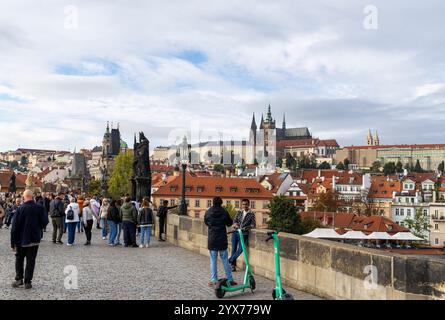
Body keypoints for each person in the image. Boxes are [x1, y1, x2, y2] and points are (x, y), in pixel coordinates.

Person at [10, 189, 49, 289]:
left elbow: (14, 227)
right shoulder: (40, 208)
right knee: (31, 261)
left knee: (19, 259)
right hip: (34, 239)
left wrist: (13, 243)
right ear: (32, 196)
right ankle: (28, 281)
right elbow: (45, 222)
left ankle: (19, 279)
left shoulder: (20, 209)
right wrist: (38, 228)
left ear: (24, 197)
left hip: (20, 240)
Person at [204, 197, 235, 287]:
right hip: (222, 239)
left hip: (212, 239)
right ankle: (230, 279)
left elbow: (206, 222)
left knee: (213, 260)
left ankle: (214, 279)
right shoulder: (224, 211)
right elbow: (229, 223)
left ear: (213, 202)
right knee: (225, 260)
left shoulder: (208, 212)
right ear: (221, 202)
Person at [228, 199, 256, 272]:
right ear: (241, 205)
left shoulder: (251, 213)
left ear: (248, 205)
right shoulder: (239, 212)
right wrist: (235, 225)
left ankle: (230, 260)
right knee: (233, 249)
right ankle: (232, 266)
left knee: (241, 249)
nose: (244, 206)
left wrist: (247, 227)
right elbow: (234, 221)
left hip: (243, 233)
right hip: (236, 232)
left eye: (246, 204)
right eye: (243, 204)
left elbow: (253, 224)